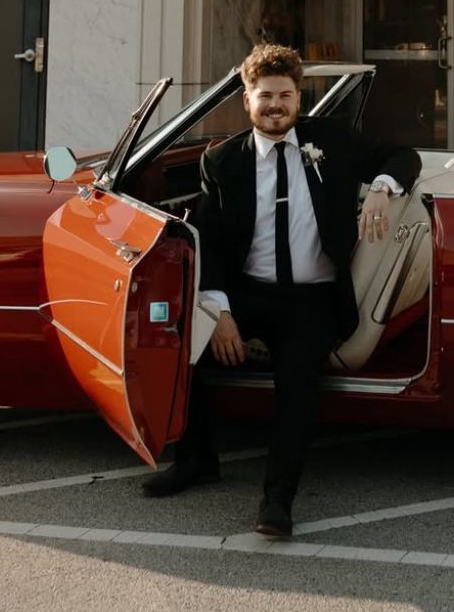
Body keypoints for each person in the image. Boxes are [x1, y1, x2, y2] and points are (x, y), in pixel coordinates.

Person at [143, 43, 420, 537]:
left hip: (313, 298)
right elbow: (213, 246)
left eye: (286, 95)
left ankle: (277, 499)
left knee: (298, 381)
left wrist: (380, 187)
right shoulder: (222, 162)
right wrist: (220, 313)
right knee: (185, 347)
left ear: (298, 99)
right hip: (250, 291)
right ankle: (197, 459)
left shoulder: (331, 140)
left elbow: (403, 156)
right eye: (265, 95)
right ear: (247, 101)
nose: (276, 105)